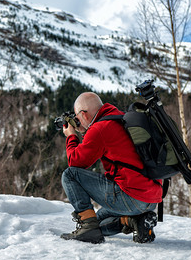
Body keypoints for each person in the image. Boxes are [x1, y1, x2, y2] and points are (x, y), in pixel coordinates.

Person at [60, 92, 162, 244]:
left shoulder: (100, 129)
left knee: (69, 175)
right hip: (150, 199)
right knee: (99, 221)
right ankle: (135, 221)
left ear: (84, 115)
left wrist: (71, 136)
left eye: (77, 117)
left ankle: (87, 228)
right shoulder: (120, 117)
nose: (76, 121)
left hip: (131, 196)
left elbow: (74, 162)